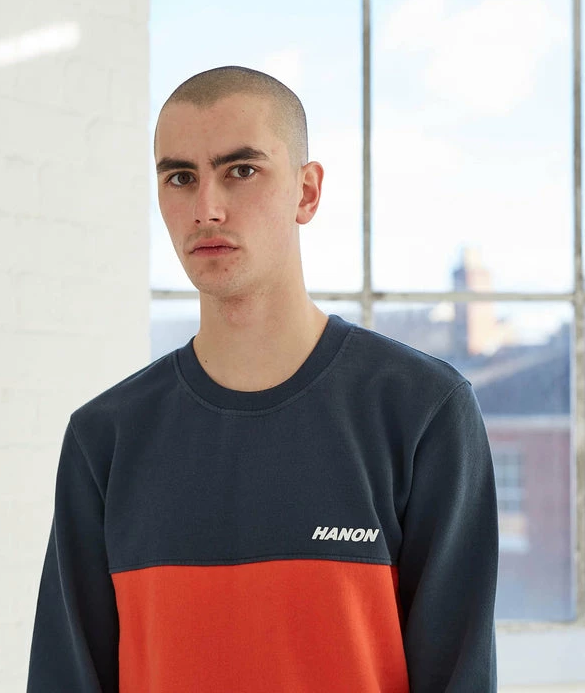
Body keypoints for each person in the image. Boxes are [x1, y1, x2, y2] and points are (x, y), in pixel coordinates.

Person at [26, 65, 499, 692]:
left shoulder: (422, 412)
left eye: (241, 171)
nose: (207, 208)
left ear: (307, 192)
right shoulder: (105, 438)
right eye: (180, 177)